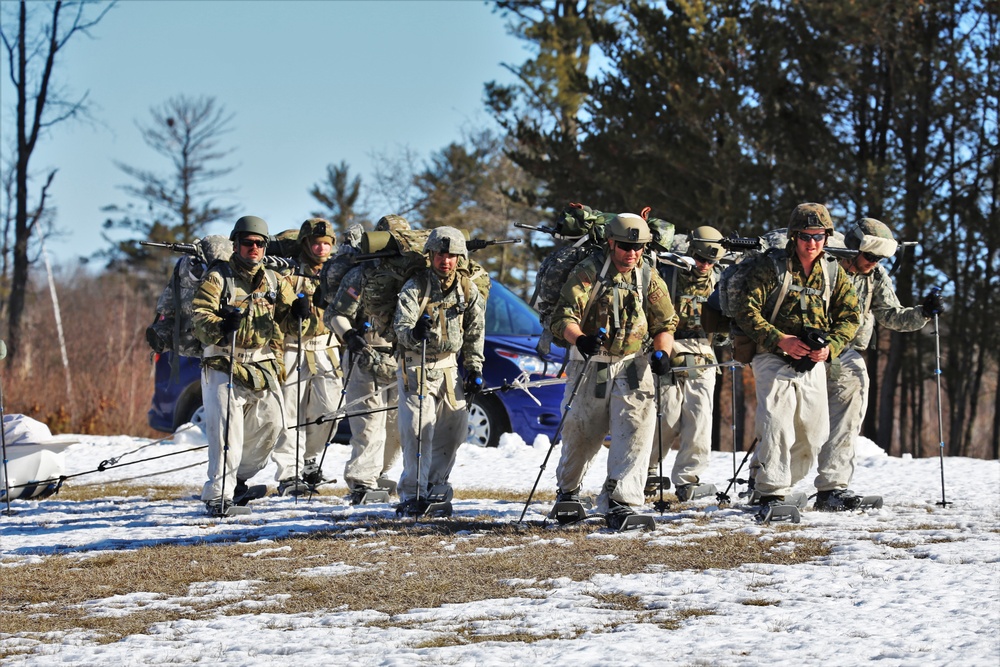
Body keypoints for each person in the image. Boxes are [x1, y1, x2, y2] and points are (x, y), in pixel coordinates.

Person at [550, 212, 677, 528]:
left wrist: (662, 352)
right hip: (590, 364)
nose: (631, 253)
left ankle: (623, 501)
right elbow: (563, 316)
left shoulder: (647, 276)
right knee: (582, 432)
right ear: (610, 243)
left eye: (638, 248)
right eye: (624, 246)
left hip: (634, 365)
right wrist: (580, 340)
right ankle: (568, 491)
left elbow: (665, 322)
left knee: (636, 431)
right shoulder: (588, 272)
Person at [732, 203, 860, 512]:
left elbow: (850, 316)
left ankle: (781, 483)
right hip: (772, 355)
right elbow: (746, 311)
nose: (812, 243)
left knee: (813, 433)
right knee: (777, 422)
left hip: (813, 361)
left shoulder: (833, 271)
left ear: (827, 237)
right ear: (793, 236)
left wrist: (830, 346)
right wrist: (781, 339)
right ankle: (770, 492)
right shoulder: (771, 267)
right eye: (805, 236)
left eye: (819, 236)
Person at [814, 218, 937, 510]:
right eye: (869, 256)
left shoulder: (875, 276)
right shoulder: (821, 265)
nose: (873, 262)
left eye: (880, 258)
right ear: (854, 248)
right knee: (795, 421)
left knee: (847, 418)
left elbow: (891, 315)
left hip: (845, 355)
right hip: (804, 350)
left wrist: (924, 312)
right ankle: (767, 485)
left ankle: (832, 488)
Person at [192, 215, 300, 515]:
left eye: (260, 244)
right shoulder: (218, 278)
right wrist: (223, 324)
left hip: (261, 363)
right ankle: (218, 497)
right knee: (227, 434)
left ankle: (238, 479)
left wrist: (302, 312)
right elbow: (199, 319)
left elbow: (289, 319)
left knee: (273, 425)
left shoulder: (274, 281)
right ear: (235, 244)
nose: (254, 249)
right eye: (247, 243)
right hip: (223, 361)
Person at [392, 226, 486, 516]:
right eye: (441, 254)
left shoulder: (468, 289)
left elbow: (475, 332)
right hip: (415, 366)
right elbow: (400, 327)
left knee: (454, 430)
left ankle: (436, 487)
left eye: (452, 255)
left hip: (449, 368)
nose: (446, 260)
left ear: (460, 257)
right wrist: (414, 332)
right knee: (417, 432)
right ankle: (412, 494)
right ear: (430, 254)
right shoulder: (415, 287)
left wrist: (473, 368)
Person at [325, 214, 409, 505]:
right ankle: (361, 482)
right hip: (365, 355)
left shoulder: (413, 274)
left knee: (397, 427)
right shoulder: (361, 274)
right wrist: (349, 337)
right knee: (368, 425)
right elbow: (336, 313)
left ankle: (378, 473)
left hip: (399, 358)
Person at [646, 225, 725, 502]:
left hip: (703, 352)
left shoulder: (721, 280)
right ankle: (649, 468)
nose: (705, 265)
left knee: (700, 416)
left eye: (711, 261)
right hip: (668, 347)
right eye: (701, 259)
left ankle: (688, 478)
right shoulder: (668, 273)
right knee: (666, 414)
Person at [270, 218, 344, 495]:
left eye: (326, 243)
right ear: (304, 244)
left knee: (331, 408)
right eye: (316, 243)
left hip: (327, 347)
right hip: (293, 347)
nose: (321, 248)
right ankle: (288, 473)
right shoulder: (288, 272)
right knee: (288, 411)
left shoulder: (337, 271)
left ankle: (310, 461)